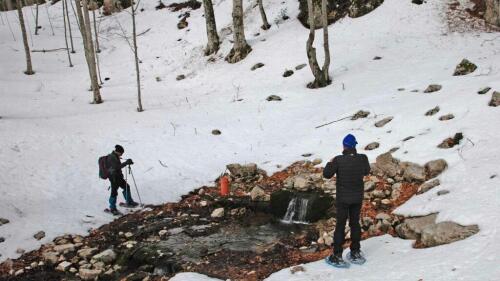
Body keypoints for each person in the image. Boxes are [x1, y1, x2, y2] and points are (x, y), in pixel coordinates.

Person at [323, 134, 370, 267]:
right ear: (354, 146)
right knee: (355, 224)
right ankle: (355, 252)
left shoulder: (338, 160)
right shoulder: (362, 158)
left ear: (344, 146)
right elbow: (366, 171)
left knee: (340, 225)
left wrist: (329, 162)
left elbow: (326, 174)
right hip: (357, 198)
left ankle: (337, 255)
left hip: (343, 199)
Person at [106, 145, 138, 215]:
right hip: (113, 178)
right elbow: (116, 167)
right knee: (114, 192)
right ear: (118, 152)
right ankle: (112, 208)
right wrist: (126, 163)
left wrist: (127, 162)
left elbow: (118, 166)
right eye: (121, 153)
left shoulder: (115, 156)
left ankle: (129, 202)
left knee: (127, 187)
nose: (122, 154)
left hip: (118, 177)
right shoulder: (111, 157)